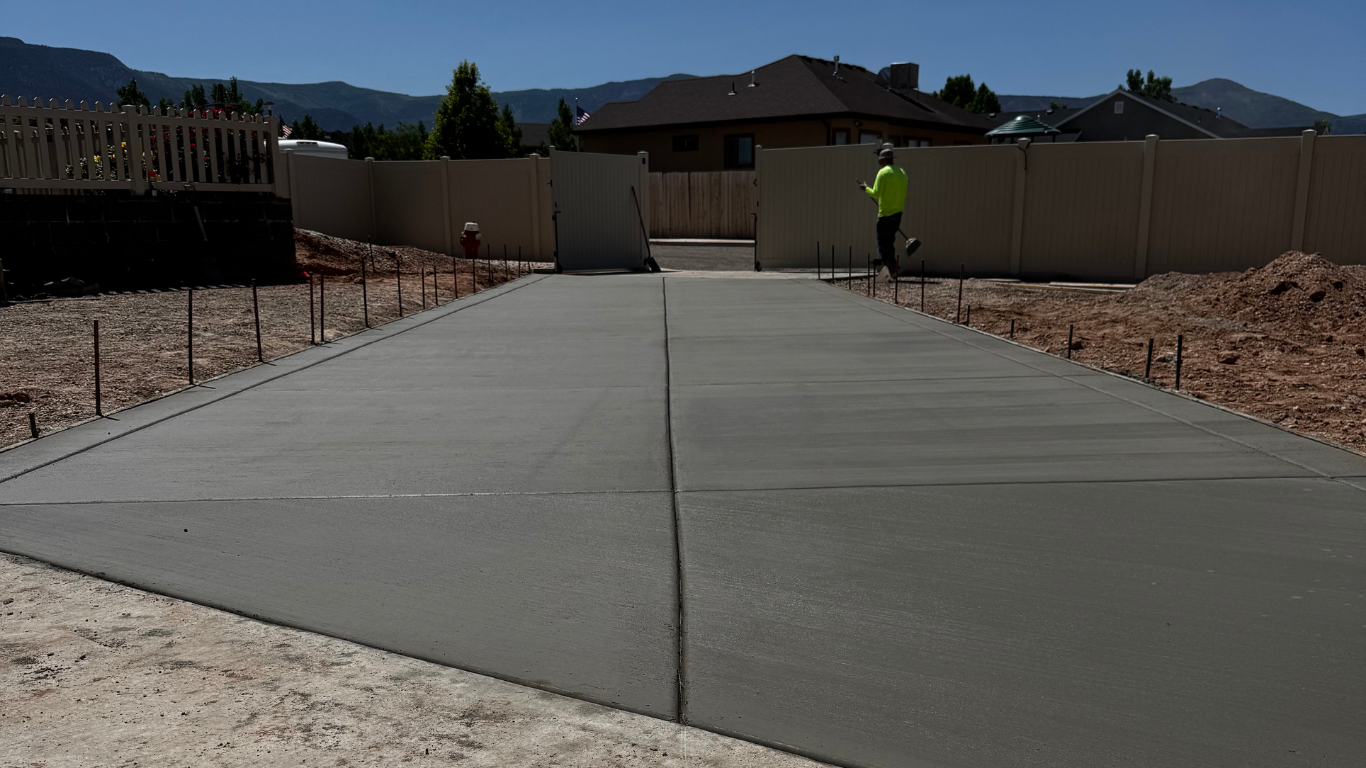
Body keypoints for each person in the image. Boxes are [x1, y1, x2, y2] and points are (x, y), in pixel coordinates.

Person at [857, 148, 908, 278]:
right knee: (889, 243)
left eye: (880, 162)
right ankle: (894, 269)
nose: (879, 164)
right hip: (898, 214)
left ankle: (893, 270)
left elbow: (876, 193)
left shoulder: (883, 173)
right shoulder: (902, 173)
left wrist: (865, 188)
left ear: (883, 161)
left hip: (885, 214)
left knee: (883, 245)